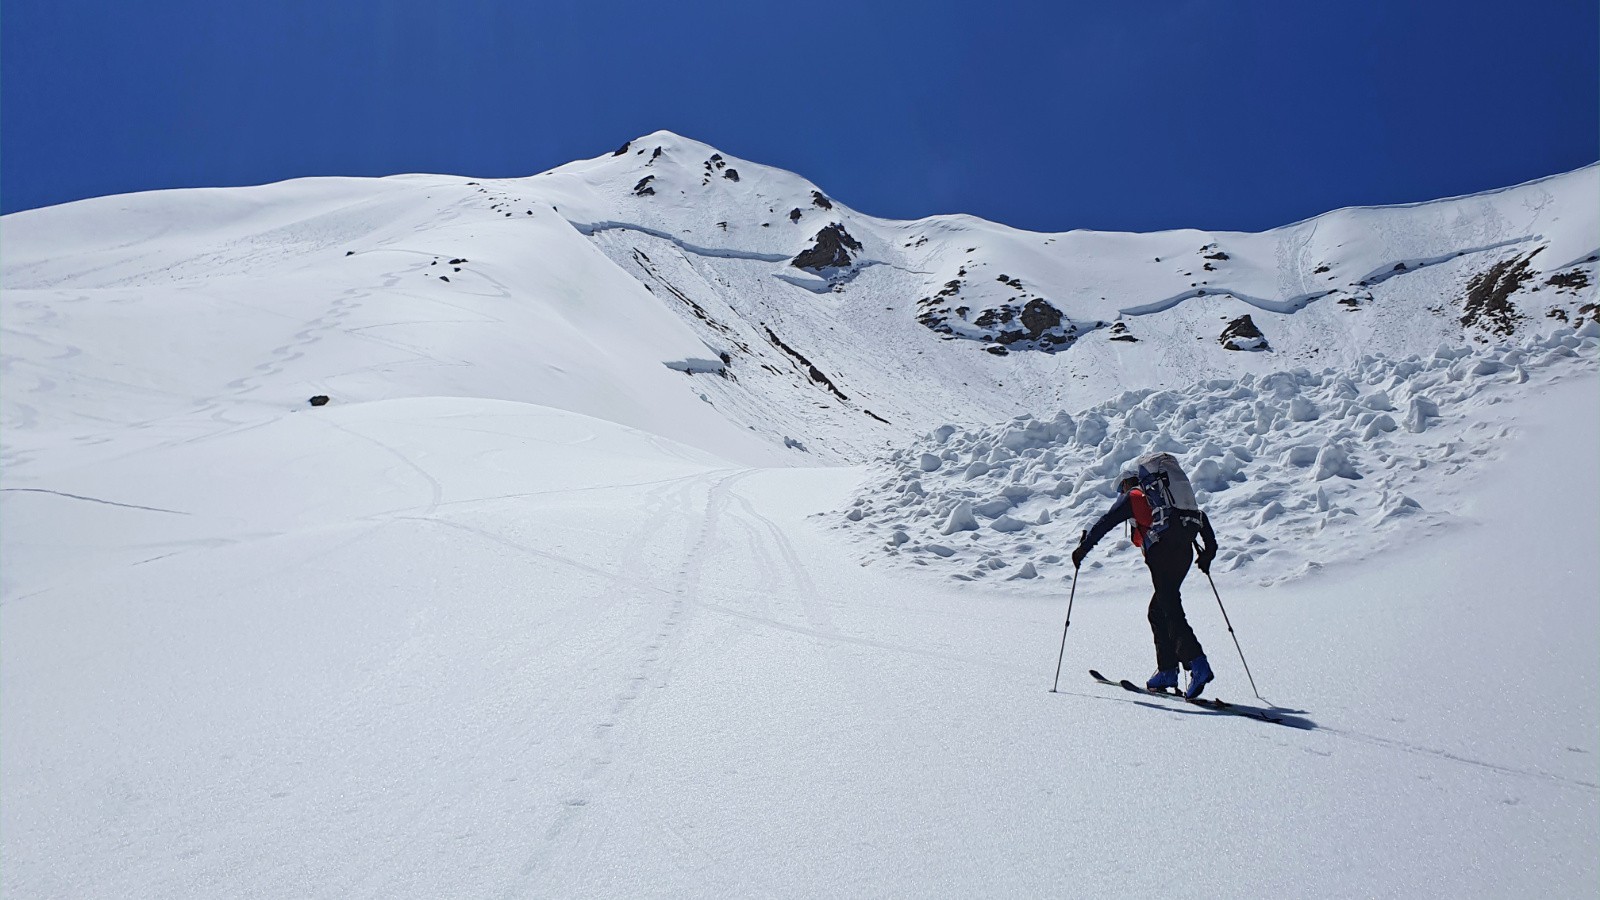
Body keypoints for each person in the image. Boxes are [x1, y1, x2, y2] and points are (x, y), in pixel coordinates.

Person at [1072, 470, 1220, 699]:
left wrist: (1083, 549)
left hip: (1162, 552)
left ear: (1126, 483)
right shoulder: (1169, 503)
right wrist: (1208, 553)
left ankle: (1197, 664)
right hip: (1184, 554)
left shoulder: (1133, 497)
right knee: (1158, 611)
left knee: (1170, 610)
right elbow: (1201, 518)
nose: (1120, 493)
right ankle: (1167, 670)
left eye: (1120, 488)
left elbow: (1105, 522)